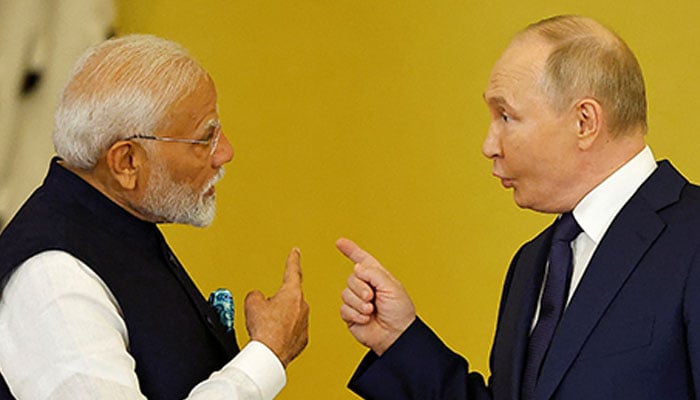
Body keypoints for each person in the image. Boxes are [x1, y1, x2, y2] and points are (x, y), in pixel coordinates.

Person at [338, 15, 700, 399]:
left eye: (506, 116)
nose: (489, 145)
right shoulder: (532, 262)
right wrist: (399, 339)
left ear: (584, 122)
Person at [0, 34, 309, 399]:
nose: (225, 153)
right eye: (204, 139)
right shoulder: (54, 279)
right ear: (127, 161)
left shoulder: (117, 227)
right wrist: (267, 355)